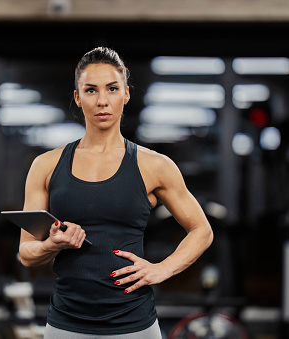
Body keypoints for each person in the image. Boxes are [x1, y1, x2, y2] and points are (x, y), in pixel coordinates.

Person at [19, 46, 214, 339]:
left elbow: (202, 230)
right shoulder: (45, 166)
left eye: (112, 89)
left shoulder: (155, 166)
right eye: (90, 90)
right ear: (77, 97)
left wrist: (162, 269)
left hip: (134, 326)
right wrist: (52, 245)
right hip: (65, 325)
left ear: (125, 94)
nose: (102, 101)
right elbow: (26, 252)